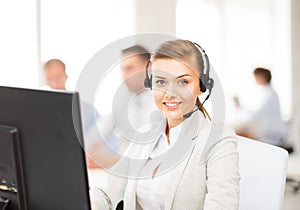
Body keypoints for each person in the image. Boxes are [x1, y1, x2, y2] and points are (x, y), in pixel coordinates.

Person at [89, 39, 240, 210]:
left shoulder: (218, 139)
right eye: (161, 82)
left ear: (201, 86)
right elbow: (109, 190)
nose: (170, 93)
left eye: (183, 82)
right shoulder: (146, 133)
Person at [43, 58, 119, 168]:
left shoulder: (86, 109)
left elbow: (110, 149)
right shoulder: (44, 113)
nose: (54, 83)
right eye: (50, 79)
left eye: (58, 77)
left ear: (65, 76)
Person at [233, 68, 287, 147]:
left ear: (262, 77)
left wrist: (242, 109)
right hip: (269, 133)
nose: (255, 80)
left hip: (273, 135)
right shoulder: (266, 92)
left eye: (256, 77)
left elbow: (258, 113)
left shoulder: (270, 94)